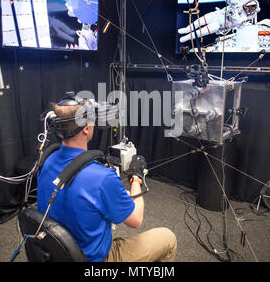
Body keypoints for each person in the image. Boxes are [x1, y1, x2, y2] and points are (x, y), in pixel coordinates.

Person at [37, 100, 177, 262]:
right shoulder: (102, 178)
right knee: (168, 238)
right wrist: (136, 179)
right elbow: (136, 220)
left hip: (56, 253)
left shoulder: (46, 160)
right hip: (92, 259)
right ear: (86, 129)